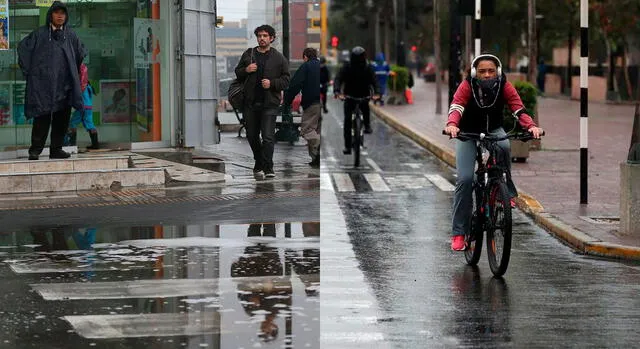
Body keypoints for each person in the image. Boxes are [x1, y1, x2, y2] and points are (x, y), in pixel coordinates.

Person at [444, 53, 543, 251]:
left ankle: (504, 193)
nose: (487, 75)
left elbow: (518, 109)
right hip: (468, 133)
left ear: (497, 72)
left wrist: (531, 126)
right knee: (465, 179)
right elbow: (456, 107)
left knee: (504, 146)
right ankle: (459, 233)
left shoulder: (504, 85)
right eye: (482, 71)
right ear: (474, 73)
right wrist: (452, 125)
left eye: (491, 71)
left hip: (494, 130)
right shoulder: (467, 86)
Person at [18, 1, 86, 161]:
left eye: (63, 13)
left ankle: (56, 149)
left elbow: (80, 54)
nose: (60, 16)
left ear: (66, 16)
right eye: (56, 12)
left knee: (61, 119)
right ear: (51, 15)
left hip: (65, 85)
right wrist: (32, 74)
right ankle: (35, 150)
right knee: (41, 118)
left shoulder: (71, 35)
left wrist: (76, 77)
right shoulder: (39, 34)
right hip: (43, 86)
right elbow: (23, 50)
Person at [234, 24, 290, 179]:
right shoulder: (249, 53)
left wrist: (272, 84)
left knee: (267, 137)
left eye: (265, 36)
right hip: (250, 103)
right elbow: (237, 73)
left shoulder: (279, 58)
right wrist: (246, 70)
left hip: (269, 104)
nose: (262, 38)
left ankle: (268, 167)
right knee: (251, 135)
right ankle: (259, 160)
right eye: (259, 36)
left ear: (271, 38)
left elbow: (286, 80)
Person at [333, 46, 380, 154]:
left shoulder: (368, 68)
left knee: (365, 109)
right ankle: (348, 146)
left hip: (363, 96)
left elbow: (374, 81)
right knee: (348, 122)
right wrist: (337, 91)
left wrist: (377, 93)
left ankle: (367, 125)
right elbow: (338, 79)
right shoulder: (347, 67)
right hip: (349, 96)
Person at [283, 48, 321, 168]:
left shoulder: (306, 67)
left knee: (307, 130)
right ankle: (316, 159)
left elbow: (295, 85)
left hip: (312, 103)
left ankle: (320, 147)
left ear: (305, 57)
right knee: (317, 130)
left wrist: (287, 101)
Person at [66, 63, 99, 150]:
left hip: (82, 107)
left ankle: (71, 145)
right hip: (88, 108)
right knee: (90, 125)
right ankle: (95, 145)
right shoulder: (89, 86)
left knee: (72, 124)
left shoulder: (82, 86)